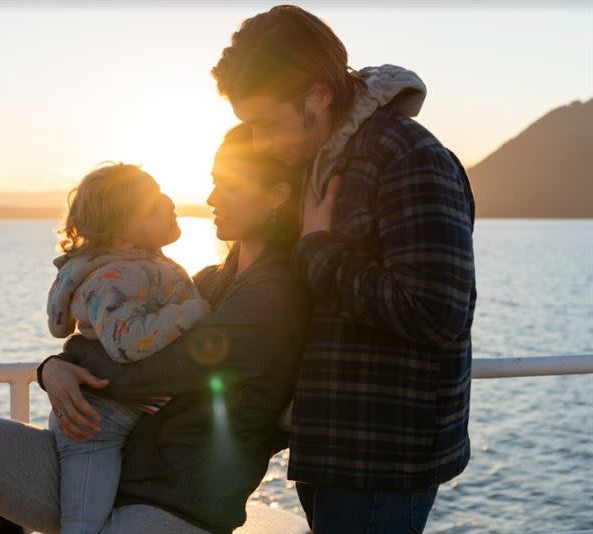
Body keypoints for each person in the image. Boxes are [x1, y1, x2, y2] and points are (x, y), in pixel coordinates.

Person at [0, 124, 309, 533]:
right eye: (214, 181)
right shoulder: (210, 282)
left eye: (229, 185)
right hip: (105, 464)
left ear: (276, 194)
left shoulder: (272, 295)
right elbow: (117, 339)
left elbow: (149, 369)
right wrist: (55, 367)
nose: (212, 196)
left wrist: (65, 364)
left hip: (174, 505)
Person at [209, 5, 477, 533]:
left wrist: (319, 252)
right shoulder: (318, 158)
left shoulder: (409, 157)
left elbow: (437, 312)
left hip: (381, 460)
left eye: (265, 124)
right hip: (327, 444)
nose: (261, 143)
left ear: (318, 96)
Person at [44, 162, 210, 533]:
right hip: (94, 428)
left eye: (161, 193)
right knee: (82, 527)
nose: (168, 204)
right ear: (122, 239)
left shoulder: (95, 267)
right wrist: (195, 311)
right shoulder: (118, 277)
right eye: (151, 207)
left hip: (118, 418)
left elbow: (58, 323)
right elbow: (128, 344)